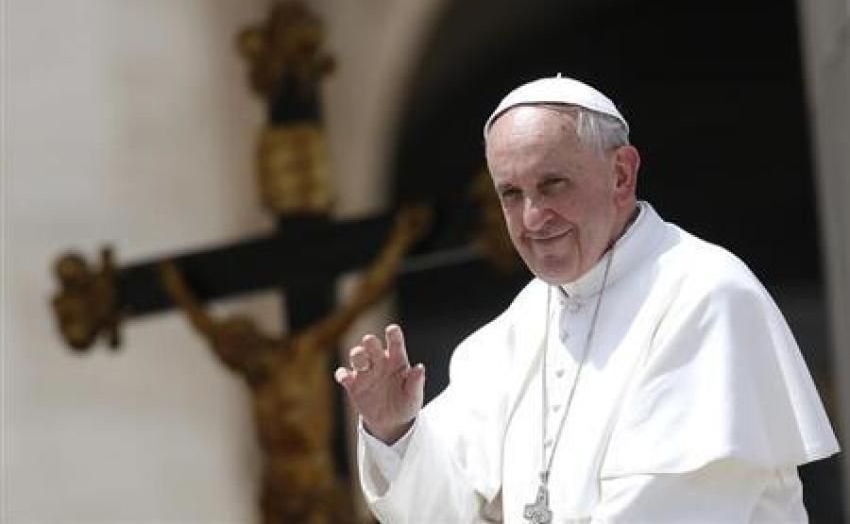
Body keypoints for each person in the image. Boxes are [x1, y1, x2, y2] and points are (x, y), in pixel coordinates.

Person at [334, 76, 839, 523]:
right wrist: (396, 430)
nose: (532, 217)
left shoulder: (705, 295)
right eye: (510, 194)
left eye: (553, 184)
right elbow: (441, 511)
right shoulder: (519, 327)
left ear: (621, 175)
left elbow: (668, 511)